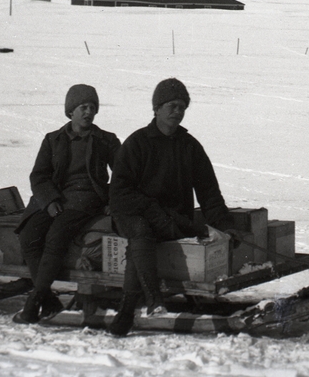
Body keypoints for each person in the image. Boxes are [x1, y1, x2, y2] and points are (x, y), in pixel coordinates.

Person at [107, 78, 235, 336]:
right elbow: (119, 194)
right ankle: (151, 300)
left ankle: (126, 310)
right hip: (132, 215)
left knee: (144, 238)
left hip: (172, 219)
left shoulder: (190, 146)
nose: (177, 112)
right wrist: (151, 208)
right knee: (142, 233)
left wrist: (225, 227)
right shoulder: (136, 143)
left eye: (182, 107)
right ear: (156, 108)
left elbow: (209, 192)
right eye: (171, 106)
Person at [14, 84, 120, 323]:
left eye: (92, 107)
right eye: (83, 107)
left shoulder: (106, 140)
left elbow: (124, 175)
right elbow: (39, 176)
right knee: (28, 235)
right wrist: (49, 201)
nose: (88, 112)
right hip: (56, 197)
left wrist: (113, 199)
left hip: (86, 198)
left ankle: (34, 301)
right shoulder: (53, 140)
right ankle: (50, 301)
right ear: (71, 111)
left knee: (56, 236)